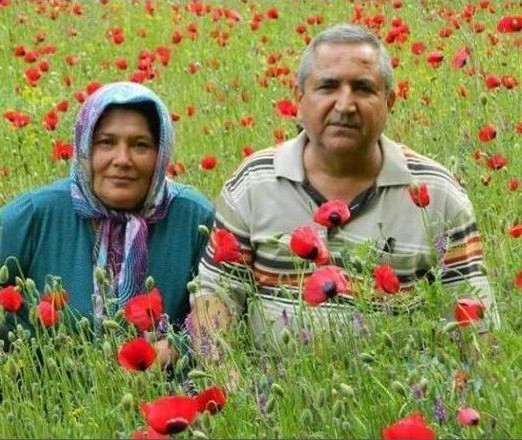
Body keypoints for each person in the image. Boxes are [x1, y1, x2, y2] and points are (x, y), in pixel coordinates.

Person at [190, 24, 499, 352]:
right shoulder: (254, 183)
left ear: (389, 101)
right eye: (328, 86)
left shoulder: (437, 194)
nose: (345, 104)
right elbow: (215, 298)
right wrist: (232, 390)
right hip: (274, 396)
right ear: (299, 98)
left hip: (399, 396)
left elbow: (473, 321)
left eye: (363, 88)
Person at [0, 82, 214, 365]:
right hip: (43, 391)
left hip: (162, 395)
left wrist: (175, 348)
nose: (122, 159)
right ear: (84, 148)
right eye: (106, 143)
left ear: (161, 153)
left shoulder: (192, 218)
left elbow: (228, 306)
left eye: (140, 145)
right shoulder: (41, 211)